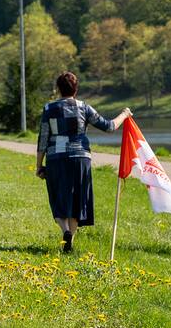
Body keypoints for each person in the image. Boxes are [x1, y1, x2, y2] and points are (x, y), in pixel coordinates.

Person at [36, 71, 131, 253]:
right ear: (76, 89)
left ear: (58, 89)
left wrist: (39, 166)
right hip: (80, 158)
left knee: (57, 199)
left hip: (57, 158)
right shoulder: (84, 108)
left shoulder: (49, 109)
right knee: (77, 200)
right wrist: (125, 114)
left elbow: (43, 139)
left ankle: (65, 233)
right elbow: (109, 126)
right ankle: (70, 239)